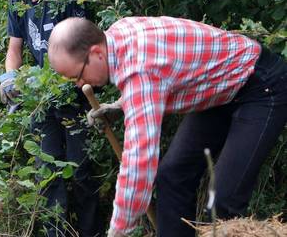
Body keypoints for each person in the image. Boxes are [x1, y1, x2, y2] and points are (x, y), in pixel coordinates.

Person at [47, 16, 287, 237]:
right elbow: (162, 76)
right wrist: (123, 105)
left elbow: (138, 166)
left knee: (223, 202)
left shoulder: (139, 71)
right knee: (172, 176)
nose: (80, 84)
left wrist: (118, 232)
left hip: (260, 86)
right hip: (220, 92)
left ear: (97, 52)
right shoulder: (117, 35)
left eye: (77, 75)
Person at [0, 0, 101, 236]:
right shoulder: (18, 2)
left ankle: (91, 232)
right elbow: (14, 49)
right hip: (40, 101)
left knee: (80, 172)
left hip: (76, 97)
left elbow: (84, 48)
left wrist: (61, 82)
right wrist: (11, 77)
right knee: (47, 174)